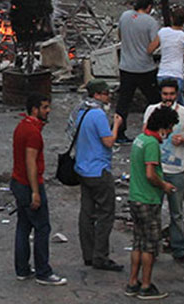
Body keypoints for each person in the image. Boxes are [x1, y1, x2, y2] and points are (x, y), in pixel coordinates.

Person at [143, 79, 184, 265]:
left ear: (177, 94)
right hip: (157, 168)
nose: (168, 98)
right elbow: (145, 133)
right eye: (165, 94)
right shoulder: (151, 110)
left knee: (177, 213)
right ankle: (152, 248)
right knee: (153, 210)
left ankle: (179, 249)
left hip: (176, 170)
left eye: (171, 94)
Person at [10, 93, 66, 284]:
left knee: (24, 226)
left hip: (18, 182)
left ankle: (23, 269)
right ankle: (43, 272)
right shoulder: (33, 133)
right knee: (42, 227)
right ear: (35, 109)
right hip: (27, 184)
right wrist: (35, 192)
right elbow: (30, 163)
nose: (48, 111)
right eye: (44, 107)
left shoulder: (22, 127)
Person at [125, 105, 179, 299]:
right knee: (150, 246)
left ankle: (132, 281)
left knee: (138, 242)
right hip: (148, 199)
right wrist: (164, 185)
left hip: (135, 197)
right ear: (163, 126)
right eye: (170, 127)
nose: (171, 131)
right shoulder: (151, 144)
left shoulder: (139, 139)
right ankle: (146, 285)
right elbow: (150, 174)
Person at [72, 78, 124, 271]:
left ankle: (88, 254)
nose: (108, 96)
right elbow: (109, 141)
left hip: (82, 168)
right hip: (99, 170)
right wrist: (117, 124)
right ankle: (100, 256)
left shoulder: (81, 112)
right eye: (105, 93)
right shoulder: (98, 115)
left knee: (86, 213)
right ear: (97, 95)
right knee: (105, 215)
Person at [116, 0, 161, 137]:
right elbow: (152, 46)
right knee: (155, 101)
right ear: (149, 7)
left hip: (126, 67)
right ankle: (158, 128)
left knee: (123, 102)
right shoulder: (150, 22)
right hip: (144, 68)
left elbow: (120, 35)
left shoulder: (125, 16)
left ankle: (119, 132)